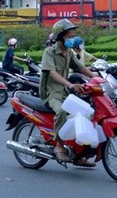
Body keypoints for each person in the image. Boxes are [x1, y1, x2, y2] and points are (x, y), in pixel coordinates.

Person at [38, 19, 95, 165]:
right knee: (62, 112)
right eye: (69, 36)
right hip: (51, 93)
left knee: (85, 113)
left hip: (64, 92)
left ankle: (79, 154)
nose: (72, 39)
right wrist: (70, 84)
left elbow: (81, 68)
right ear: (60, 36)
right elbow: (51, 73)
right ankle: (58, 145)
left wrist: (97, 78)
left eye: (73, 36)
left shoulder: (68, 52)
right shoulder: (49, 52)